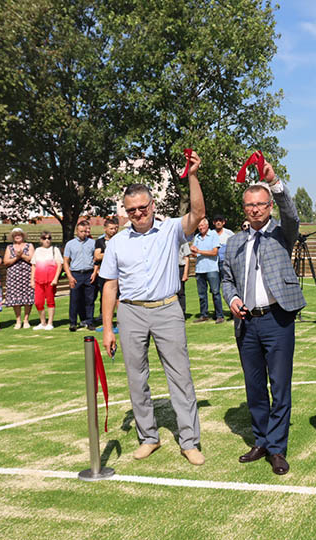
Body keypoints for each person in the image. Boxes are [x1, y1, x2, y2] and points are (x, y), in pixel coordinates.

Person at [99, 150, 206, 466]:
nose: (138, 214)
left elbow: (198, 213)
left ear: (153, 205)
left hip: (167, 309)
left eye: (143, 207)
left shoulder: (172, 228)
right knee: (136, 378)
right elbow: (109, 286)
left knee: (180, 377)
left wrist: (193, 176)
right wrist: (108, 328)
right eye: (132, 210)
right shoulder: (117, 242)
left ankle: (189, 441)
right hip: (130, 312)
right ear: (126, 211)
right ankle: (149, 437)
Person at [221, 158, 305, 476]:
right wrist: (231, 298)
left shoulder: (283, 234)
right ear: (244, 209)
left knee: (279, 386)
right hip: (246, 322)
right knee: (254, 386)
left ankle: (277, 448)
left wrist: (276, 183)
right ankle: (260, 439)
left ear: (269, 206)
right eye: (249, 205)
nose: (255, 210)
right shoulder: (233, 243)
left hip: (277, 319)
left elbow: (293, 214)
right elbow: (226, 279)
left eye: (260, 204)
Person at [63, 220, 97, 331]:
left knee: (89, 300)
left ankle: (89, 321)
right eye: (81, 231)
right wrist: (70, 277)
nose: (83, 233)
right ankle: (73, 323)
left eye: (85, 231)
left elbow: (96, 260)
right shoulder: (70, 244)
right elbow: (66, 261)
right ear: (77, 231)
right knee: (74, 300)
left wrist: (94, 272)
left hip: (89, 273)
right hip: (76, 274)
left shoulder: (92, 243)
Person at [191, 218, 224, 323]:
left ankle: (219, 315)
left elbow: (215, 252)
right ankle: (203, 314)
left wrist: (199, 251)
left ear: (207, 225)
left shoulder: (214, 235)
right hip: (200, 268)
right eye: (199, 226)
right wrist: (193, 252)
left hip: (211, 268)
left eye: (202, 226)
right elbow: (195, 253)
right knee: (201, 294)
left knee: (215, 292)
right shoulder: (197, 237)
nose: (200, 228)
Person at [2, 227, 35, 329]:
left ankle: (26, 320)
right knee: (15, 299)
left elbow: (33, 260)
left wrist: (22, 256)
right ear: (12, 237)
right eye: (15, 235)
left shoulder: (29, 245)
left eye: (19, 234)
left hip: (27, 275)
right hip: (14, 276)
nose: (17, 236)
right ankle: (18, 320)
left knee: (27, 298)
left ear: (23, 236)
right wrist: (16, 257)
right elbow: (6, 262)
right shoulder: (9, 247)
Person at [30, 231, 62, 330]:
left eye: (49, 238)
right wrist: (32, 280)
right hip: (39, 280)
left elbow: (59, 265)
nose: (47, 240)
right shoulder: (37, 250)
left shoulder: (54, 250)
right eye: (44, 238)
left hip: (50, 280)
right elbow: (34, 266)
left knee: (50, 301)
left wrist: (56, 278)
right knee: (38, 302)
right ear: (41, 240)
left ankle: (50, 323)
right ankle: (42, 322)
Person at [94, 217, 120, 324]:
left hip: (119, 273)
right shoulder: (100, 242)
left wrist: (105, 255)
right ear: (105, 229)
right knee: (105, 297)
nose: (114, 231)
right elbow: (97, 256)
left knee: (119, 298)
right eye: (111, 229)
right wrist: (112, 254)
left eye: (115, 228)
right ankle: (106, 323)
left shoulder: (120, 240)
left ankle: (121, 321)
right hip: (104, 274)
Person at [177, 242, 191, 316]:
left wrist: (185, 274)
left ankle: (182, 313)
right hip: (170, 268)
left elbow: (187, 258)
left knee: (180, 292)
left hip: (180, 268)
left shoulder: (183, 241)